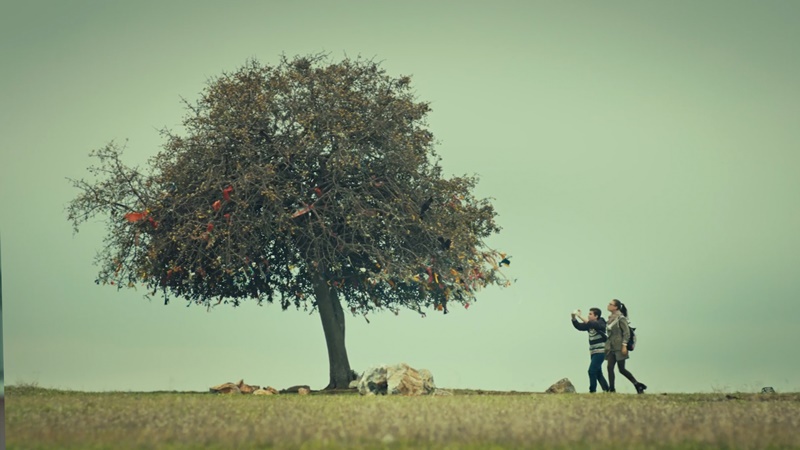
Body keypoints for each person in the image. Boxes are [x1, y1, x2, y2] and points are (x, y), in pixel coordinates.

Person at [605, 299, 647, 394]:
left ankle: (637, 384)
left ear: (615, 307)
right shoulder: (610, 318)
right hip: (611, 346)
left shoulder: (621, 318)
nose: (608, 305)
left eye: (611, 304)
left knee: (622, 369)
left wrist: (624, 345)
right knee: (609, 367)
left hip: (619, 347)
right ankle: (611, 389)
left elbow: (626, 333)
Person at [571, 307, 610, 393]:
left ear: (596, 316)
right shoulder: (589, 325)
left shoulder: (601, 322)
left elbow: (594, 325)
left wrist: (579, 316)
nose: (588, 316)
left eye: (590, 314)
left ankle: (592, 391)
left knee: (591, 371)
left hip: (600, 351)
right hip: (593, 352)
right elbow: (579, 326)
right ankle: (607, 390)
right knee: (598, 373)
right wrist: (573, 318)